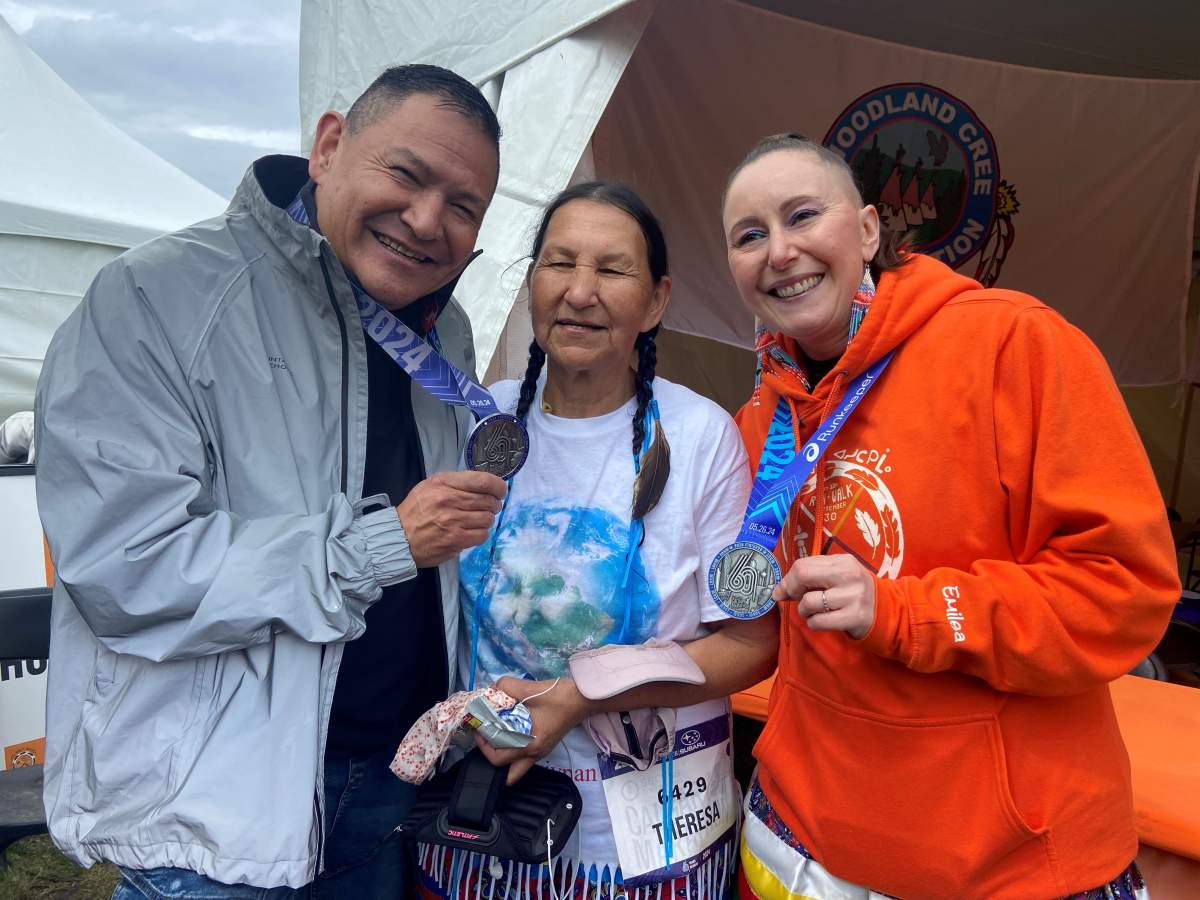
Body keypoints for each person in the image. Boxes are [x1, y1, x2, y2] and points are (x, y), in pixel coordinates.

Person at [35, 65, 509, 897]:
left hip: (391, 785)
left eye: (464, 206)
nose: (428, 219)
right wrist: (377, 546)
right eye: (405, 174)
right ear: (329, 147)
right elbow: (123, 564)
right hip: (218, 818)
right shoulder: (157, 295)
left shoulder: (448, 327)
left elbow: (435, 561)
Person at [721, 132, 1180, 900]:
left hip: (1002, 865)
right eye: (749, 235)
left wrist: (905, 612)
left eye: (803, 215)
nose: (780, 251)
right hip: (798, 838)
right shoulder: (763, 413)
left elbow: (1124, 590)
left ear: (869, 228)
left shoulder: (1013, 343)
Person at [414, 182, 779, 900]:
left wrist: (579, 694)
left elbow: (752, 643)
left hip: (640, 844)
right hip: (481, 818)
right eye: (558, 264)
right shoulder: (478, 425)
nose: (580, 291)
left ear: (656, 300)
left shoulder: (705, 436)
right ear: (531, 284)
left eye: (612, 270)